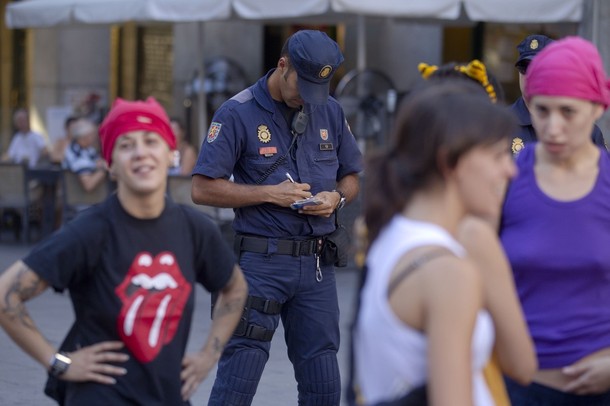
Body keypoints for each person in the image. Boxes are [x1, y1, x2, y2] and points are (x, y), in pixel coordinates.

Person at [0, 97, 248, 405]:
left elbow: (234, 287)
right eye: (126, 145)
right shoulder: (90, 230)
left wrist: (208, 356)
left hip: (167, 396)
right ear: (110, 164)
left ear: (171, 153)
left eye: (151, 141)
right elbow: (6, 295)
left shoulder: (194, 229)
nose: (141, 152)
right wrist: (57, 362)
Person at [192, 29, 363, 405]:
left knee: (324, 385)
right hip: (260, 265)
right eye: (302, 87)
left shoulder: (329, 110)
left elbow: (352, 177)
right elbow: (202, 188)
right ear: (282, 66)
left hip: (317, 265)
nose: (308, 99)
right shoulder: (236, 112)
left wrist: (336, 198)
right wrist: (269, 194)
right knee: (238, 379)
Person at [351, 81, 520, 406]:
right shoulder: (449, 272)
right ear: (450, 162)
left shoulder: (389, 233)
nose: (510, 170)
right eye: (498, 155)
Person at [418, 59, 537, 406]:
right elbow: (522, 364)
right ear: (455, 155)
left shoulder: (389, 226)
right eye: (497, 153)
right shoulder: (470, 240)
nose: (510, 171)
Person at [500, 36, 610, 405]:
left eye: (568, 111)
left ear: (597, 108)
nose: (552, 128)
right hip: (520, 386)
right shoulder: (504, 178)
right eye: (542, 110)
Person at [510, 34, 606, 154]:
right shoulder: (501, 125)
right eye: (524, 68)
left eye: (539, 68)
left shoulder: (587, 131)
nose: (530, 75)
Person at [62, 117, 108, 192]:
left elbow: (97, 162)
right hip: (84, 200)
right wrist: (104, 170)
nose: (95, 137)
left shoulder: (86, 149)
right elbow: (88, 185)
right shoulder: (78, 154)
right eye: (92, 135)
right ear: (84, 137)